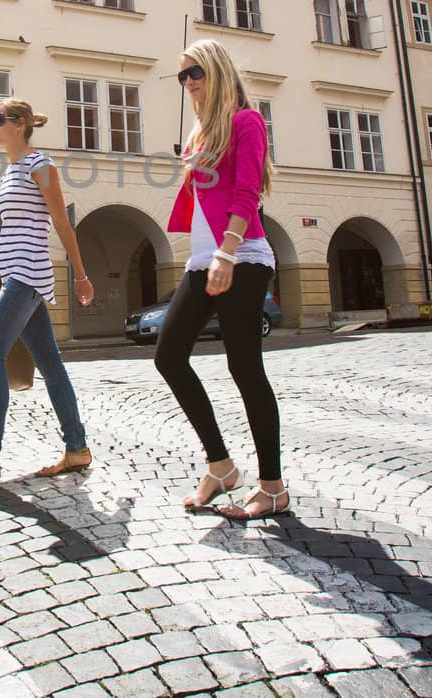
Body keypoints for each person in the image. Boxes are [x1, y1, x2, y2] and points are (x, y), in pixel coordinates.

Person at [154, 39, 288, 521]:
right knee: (168, 356)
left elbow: (248, 191)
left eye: (195, 73)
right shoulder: (200, 135)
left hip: (243, 255)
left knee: (244, 367)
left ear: (216, 72)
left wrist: (228, 253)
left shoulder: (245, 121)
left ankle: (272, 486)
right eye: (182, 76)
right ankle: (222, 465)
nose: (188, 83)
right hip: (205, 258)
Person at [0, 98, 95, 484]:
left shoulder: (40, 165)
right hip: (17, 273)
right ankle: (76, 448)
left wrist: (80, 274)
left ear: (21, 123)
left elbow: (61, 222)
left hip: (28, 274)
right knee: (50, 364)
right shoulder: (12, 170)